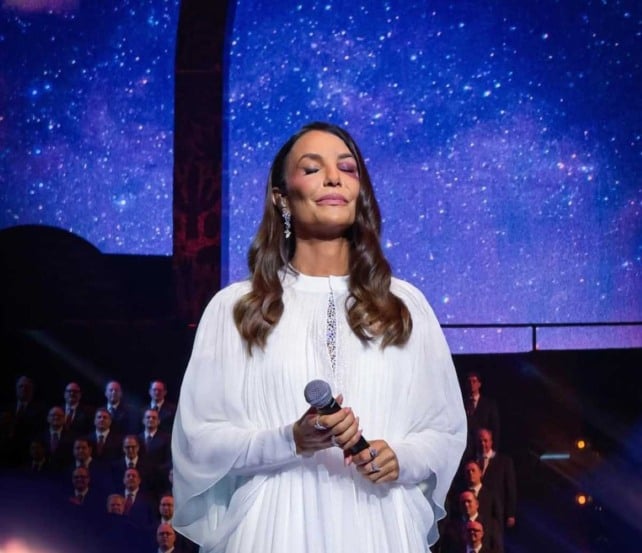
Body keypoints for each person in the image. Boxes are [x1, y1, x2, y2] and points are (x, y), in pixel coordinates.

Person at [171, 121, 467, 553]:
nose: (333, 178)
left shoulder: (404, 306)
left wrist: (400, 458)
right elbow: (199, 441)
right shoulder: (238, 308)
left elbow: (443, 430)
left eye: (347, 168)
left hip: (379, 526)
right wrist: (289, 438)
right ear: (281, 197)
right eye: (312, 169)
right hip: (273, 529)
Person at [476, 428, 516, 529]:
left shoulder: (504, 462)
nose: (482, 444)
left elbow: (510, 488)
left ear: (491, 442)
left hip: (495, 512)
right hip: (475, 512)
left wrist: (510, 513)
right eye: (480, 441)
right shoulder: (471, 461)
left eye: (485, 441)